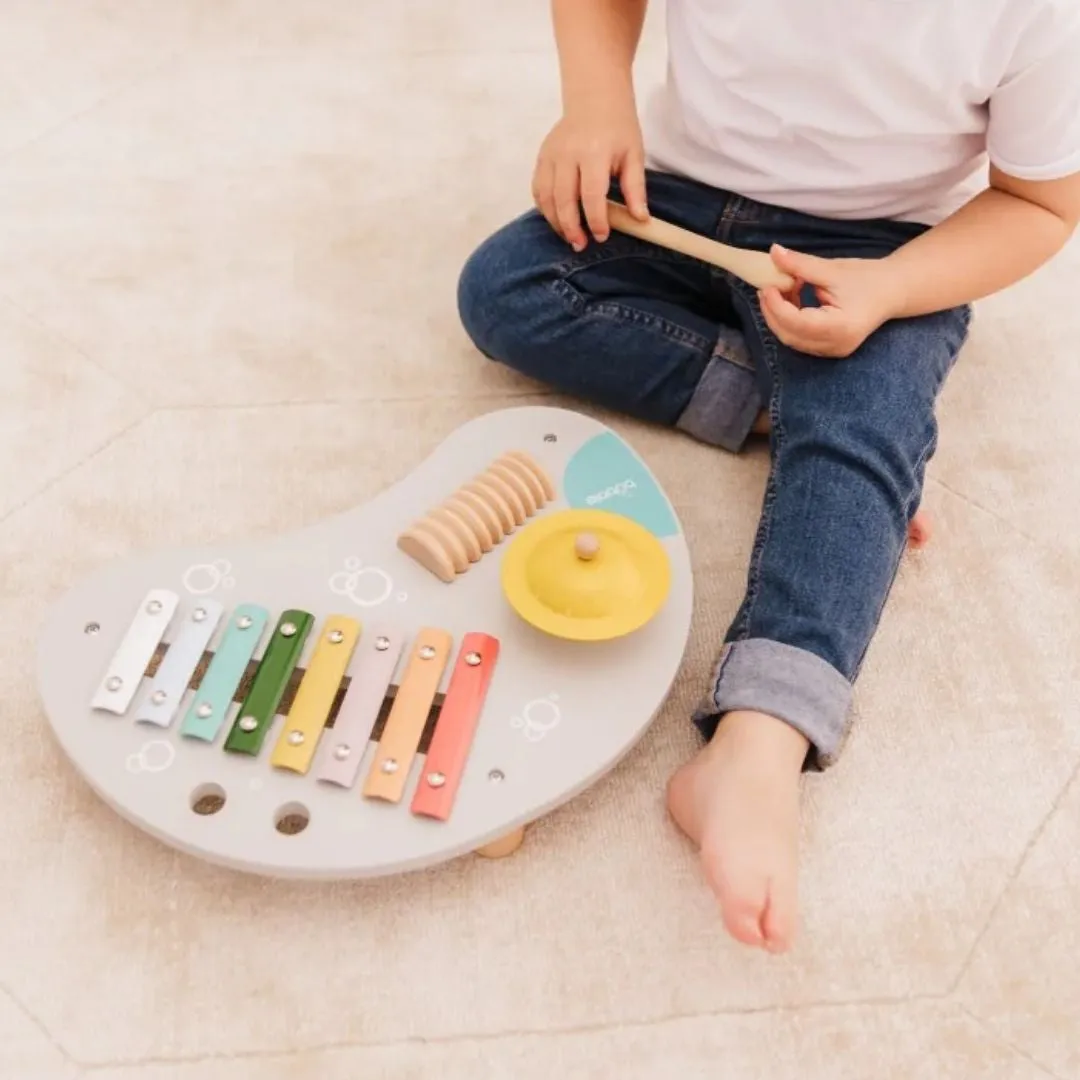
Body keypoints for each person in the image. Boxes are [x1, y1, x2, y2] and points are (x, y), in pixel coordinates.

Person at [456, 0, 1080, 953]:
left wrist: (891, 292)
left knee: (860, 411)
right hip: (672, 201)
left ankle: (759, 742)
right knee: (507, 290)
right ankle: (834, 433)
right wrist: (595, 103)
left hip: (883, 253)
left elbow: (1039, 204)